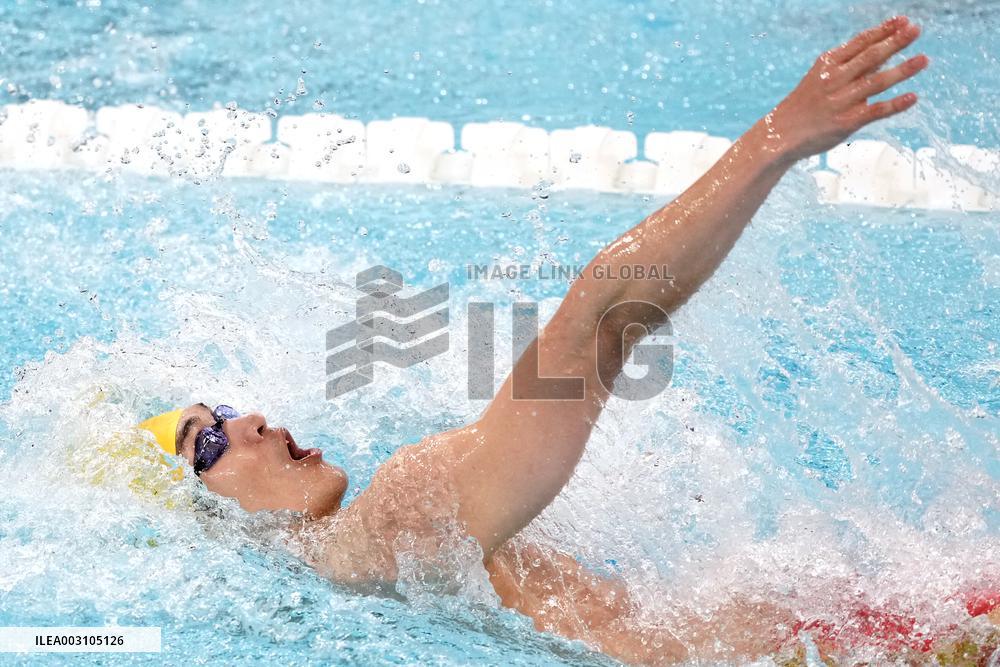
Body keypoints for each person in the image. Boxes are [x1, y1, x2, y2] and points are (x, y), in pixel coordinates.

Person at [136, 17, 990, 664]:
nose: (250, 422)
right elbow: (598, 321)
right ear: (201, 517)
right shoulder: (394, 517)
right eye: (208, 437)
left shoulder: (371, 564)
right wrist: (777, 140)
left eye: (233, 410)